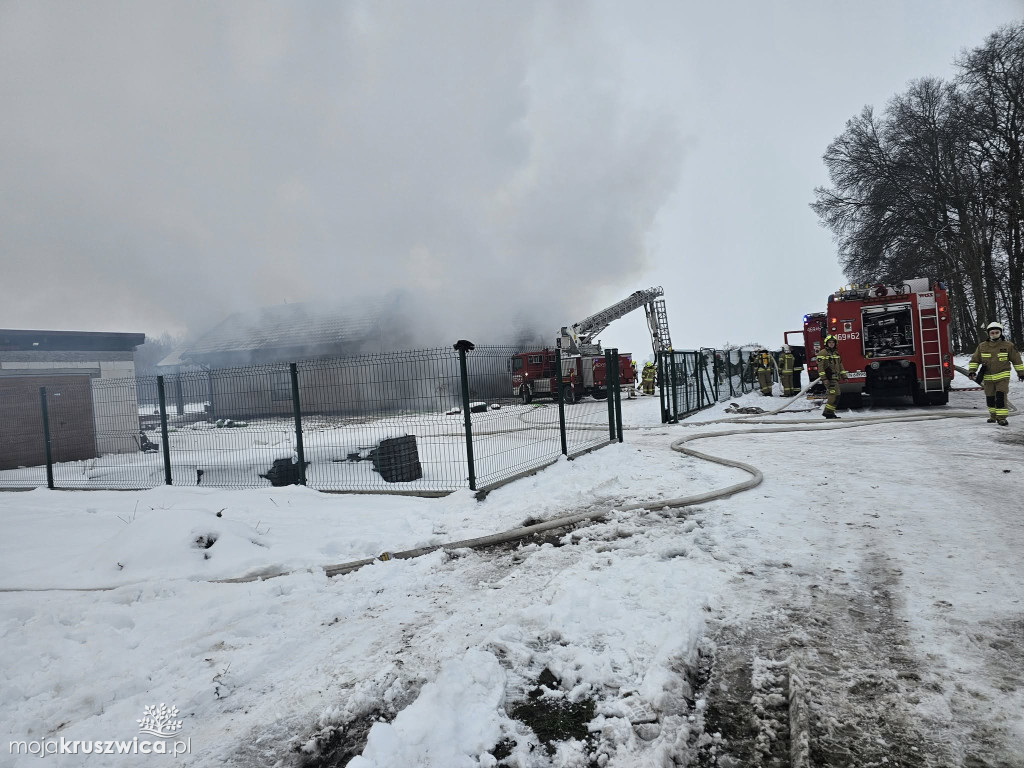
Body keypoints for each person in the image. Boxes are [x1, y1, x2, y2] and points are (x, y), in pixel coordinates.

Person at [968, 322, 1024, 426]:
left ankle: (1001, 418)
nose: (994, 334)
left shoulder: (1008, 346)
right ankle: (993, 416)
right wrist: (972, 371)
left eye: (997, 332)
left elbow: (1017, 360)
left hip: (1002, 377)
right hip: (988, 378)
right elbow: (975, 360)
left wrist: (1021, 373)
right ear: (988, 334)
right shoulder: (982, 346)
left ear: (1001, 333)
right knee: (990, 397)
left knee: (1000, 397)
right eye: (992, 333)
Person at [816, 335, 847, 419]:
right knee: (833, 395)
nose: (831, 344)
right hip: (829, 379)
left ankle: (830, 412)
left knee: (837, 395)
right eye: (829, 342)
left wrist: (844, 375)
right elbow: (820, 367)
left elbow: (840, 365)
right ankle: (828, 413)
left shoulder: (836, 353)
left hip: (835, 378)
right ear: (826, 343)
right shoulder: (823, 353)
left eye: (833, 342)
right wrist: (824, 379)